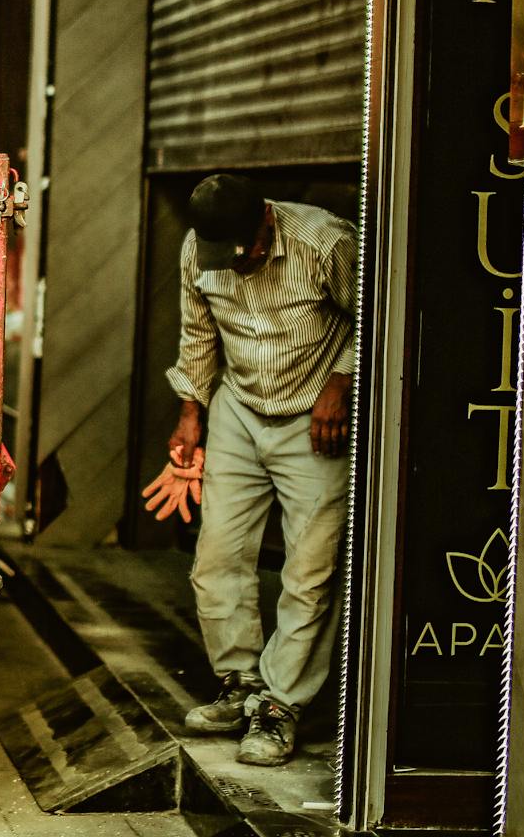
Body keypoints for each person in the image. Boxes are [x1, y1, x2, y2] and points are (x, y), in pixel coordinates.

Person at [161, 172, 356, 767]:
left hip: (313, 416)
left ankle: (279, 705)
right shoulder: (202, 246)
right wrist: (190, 412)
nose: (236, 266)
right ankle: (239, 682)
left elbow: (376, 317)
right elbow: (197, 332)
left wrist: (342, 381)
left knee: (310, 569)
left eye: (244, 253)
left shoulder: (327, 242)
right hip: (240, 408)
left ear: (266, 221)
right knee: (217, 556)